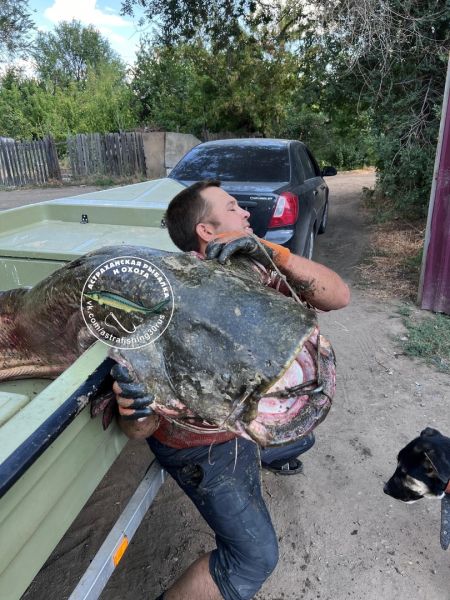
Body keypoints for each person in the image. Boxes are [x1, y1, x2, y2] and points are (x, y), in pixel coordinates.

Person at [112, 180, 350, 600]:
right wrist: (135, 411)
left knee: (302, 437)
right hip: (200, 446)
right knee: (254, 559)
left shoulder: (252, 268)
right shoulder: (168, 299)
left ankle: (264, 452)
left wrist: (274, 253)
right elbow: (140, 430)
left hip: (243, 424)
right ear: (206, 231)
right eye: (234, 207)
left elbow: (339, 296)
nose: (247, 215)